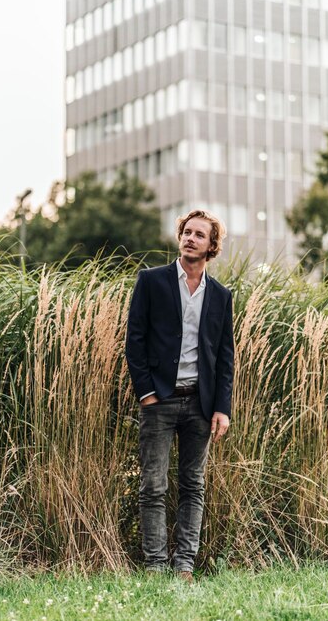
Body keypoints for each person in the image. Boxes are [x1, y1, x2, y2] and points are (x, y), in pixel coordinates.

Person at [125, 209, 234, 582]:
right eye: (187, 232)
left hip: (200, 405)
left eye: (199, 235)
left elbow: (224, 356)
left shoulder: (220, 295)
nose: (190, 238)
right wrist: (147, 394)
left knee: (193, 485)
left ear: (211, 246)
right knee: (153, 485)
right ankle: (156, 565)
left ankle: (184, 565)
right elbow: (134, 341)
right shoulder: (151, 281)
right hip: (159, 400)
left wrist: (222, 408)